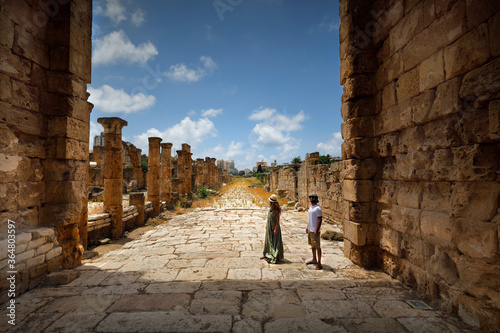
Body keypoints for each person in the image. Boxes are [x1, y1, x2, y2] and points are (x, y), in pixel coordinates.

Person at [261, 194, 284, 263]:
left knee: (275, 241)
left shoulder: (276, 209)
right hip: (269, 227)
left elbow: (277, 220)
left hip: (274, 227)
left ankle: (276, 255)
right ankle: (266, 253)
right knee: (268, 240)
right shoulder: (270, 208)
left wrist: (276, 229)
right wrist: (266, 225)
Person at [305, 193, 323, 270]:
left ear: (316, 199)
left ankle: (319, 263)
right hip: (310, 230)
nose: (311, 199)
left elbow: (320, 220)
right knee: (312, 245)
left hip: (315, 230)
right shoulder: (311, 207)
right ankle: (314, 259)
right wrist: (308, 226)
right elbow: (310, 218)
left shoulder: (317, 208)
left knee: (317, 246)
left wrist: (316, 230)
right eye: (311, 197)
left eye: (313, 198)